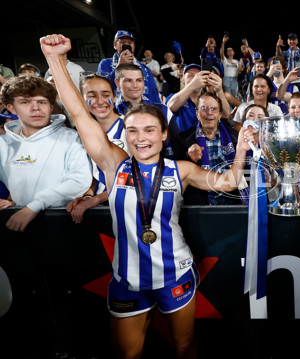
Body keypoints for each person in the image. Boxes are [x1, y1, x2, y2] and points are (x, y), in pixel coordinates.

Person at [42, 34, 256, 359]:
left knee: (185, 346)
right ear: (124, 135)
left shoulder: (180, 170)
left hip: (176, 274)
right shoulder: (114, 163)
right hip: (128, 281)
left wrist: (240, 150)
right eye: (132, 131)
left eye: (149, 130)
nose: (140, 139)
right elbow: (81, 116)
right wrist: (56, 60)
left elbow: (229, 182)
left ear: (163, 134)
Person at [0, 74, 92, 232]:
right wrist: (10, 202)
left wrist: (33, 206)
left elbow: (79, 181)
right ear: (12, 108)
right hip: (17, 221)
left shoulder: (71, 138)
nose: (35, 108)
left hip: (64, 223)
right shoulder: (4, 143)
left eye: (41, 102)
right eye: (25, 102)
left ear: (50, 106)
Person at [66, 72, 129, 223]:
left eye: (105, 94)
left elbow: (135, 176)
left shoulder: (130, 127)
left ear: (114, 97)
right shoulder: (80, 133)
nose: (100, 101)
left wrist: (95, 200)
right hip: (98, 206)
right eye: (91, 96)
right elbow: (96, 171)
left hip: (126, 204)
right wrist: (88, 194)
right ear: (82, 100)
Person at [171, 92, 243, 205]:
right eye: (204, 108)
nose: (209, 113)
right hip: (200, 202)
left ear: (220, 114)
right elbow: (175, 173)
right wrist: (188, 158)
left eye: (214, 109)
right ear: (197, 114)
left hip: (232, 201)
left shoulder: (236, 138)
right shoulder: (183, 139)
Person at [166, 64, 231, 140]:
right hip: (182, 145)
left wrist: (219, 91)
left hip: (205, 143)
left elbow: (225, 114)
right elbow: (171, 106)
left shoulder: (208, 98)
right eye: (191, 75)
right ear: (183, 79)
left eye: (199, 75)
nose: (196, 79)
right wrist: (193, 85)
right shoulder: (174, 97)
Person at [98, 30, 161, 104]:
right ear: (115, 44)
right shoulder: (106, 63)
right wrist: (119, 65)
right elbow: (102, 89)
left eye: (130, 43)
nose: (127, 45)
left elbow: (154, 93)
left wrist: (158, 113)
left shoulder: (145, 69)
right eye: (123, 42)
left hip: (143, 111)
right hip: (116, 112)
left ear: (134, 46)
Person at [220, 34, 242, 100]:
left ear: (233, 52)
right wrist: (223, 42)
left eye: (230, 50)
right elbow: (221, 52)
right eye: (227, 50)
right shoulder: (225, 60)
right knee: (227, 95)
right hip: (226, 79)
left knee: (235, 95)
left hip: (234, 79)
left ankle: (236, 110)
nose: (229, 51)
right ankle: (229, 110)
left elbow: (240, 70)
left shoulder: (237, 61)